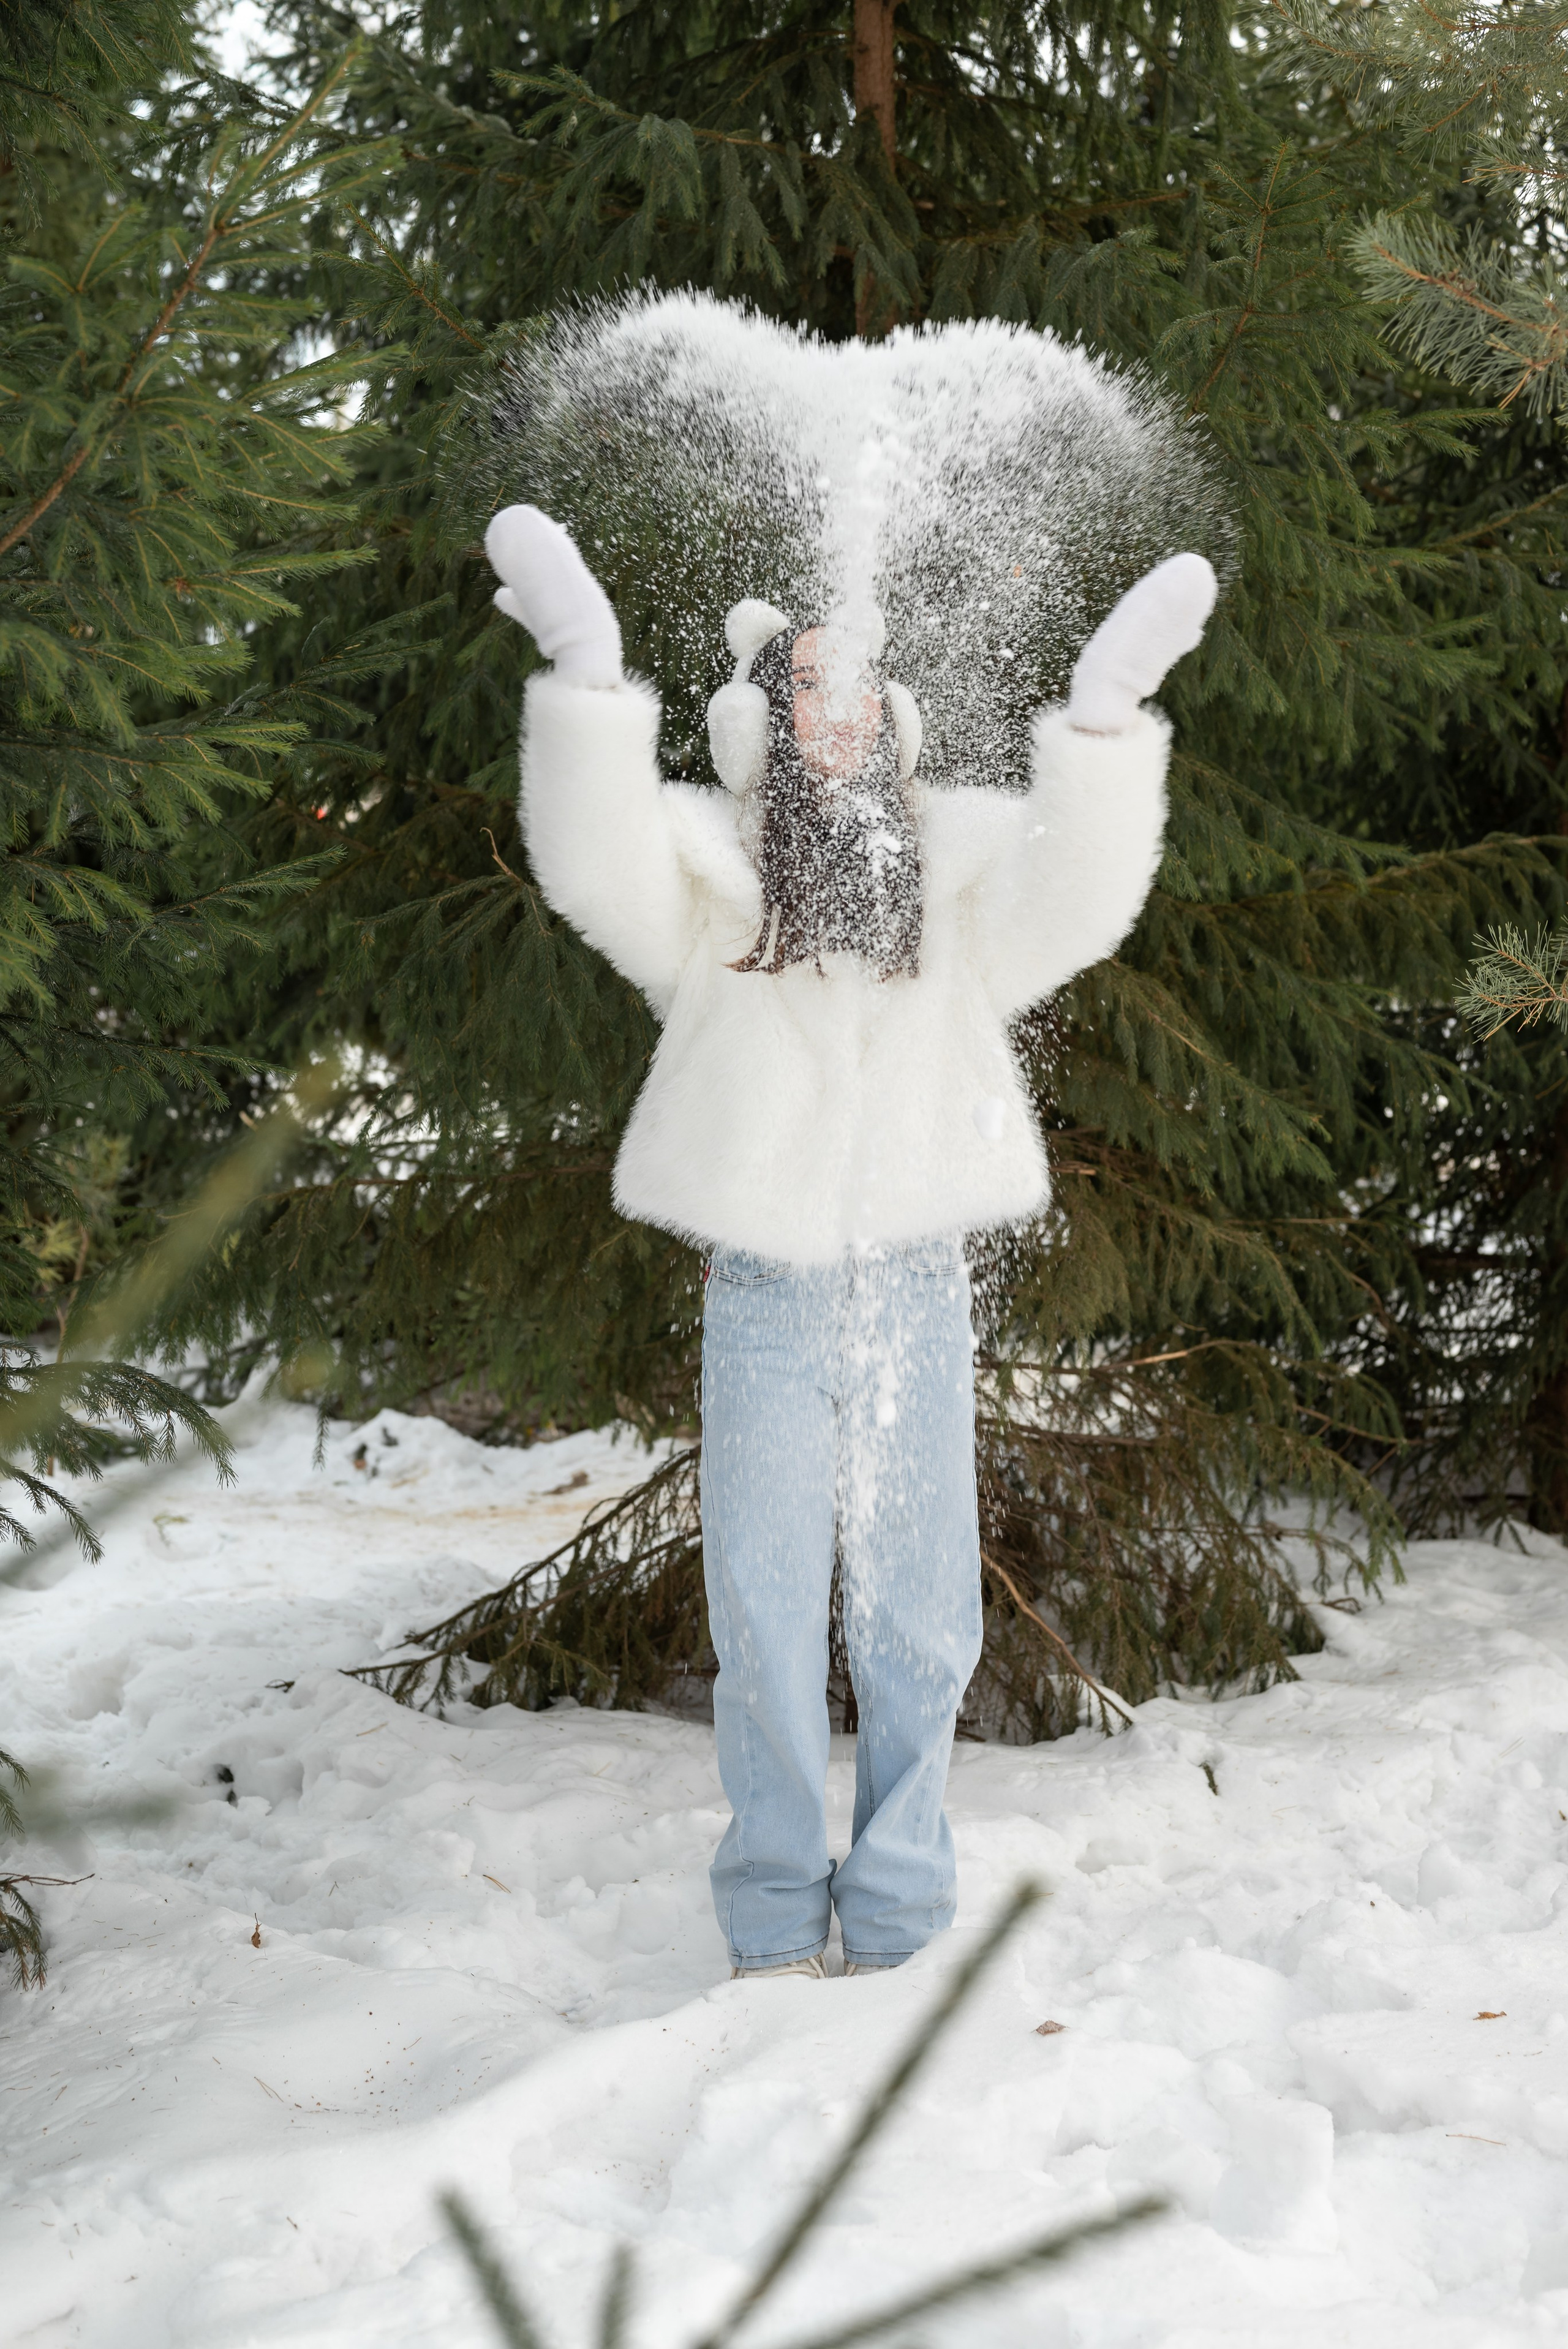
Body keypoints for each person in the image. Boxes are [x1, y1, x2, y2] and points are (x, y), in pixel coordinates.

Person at [486, 504, 1216, 1980]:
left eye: (853, 686)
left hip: (911, 1294)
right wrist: (583, 672)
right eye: (805, 683)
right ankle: (766, 1916)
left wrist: (1098, 720)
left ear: (888, 718)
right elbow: (588, 854)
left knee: (917, 1615)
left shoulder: (953, 890)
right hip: (761, 1298)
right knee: (761, 1616)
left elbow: (1073, 896)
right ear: (769, 716)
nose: (834, 706)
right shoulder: (706, 889)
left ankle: (888, 1916)